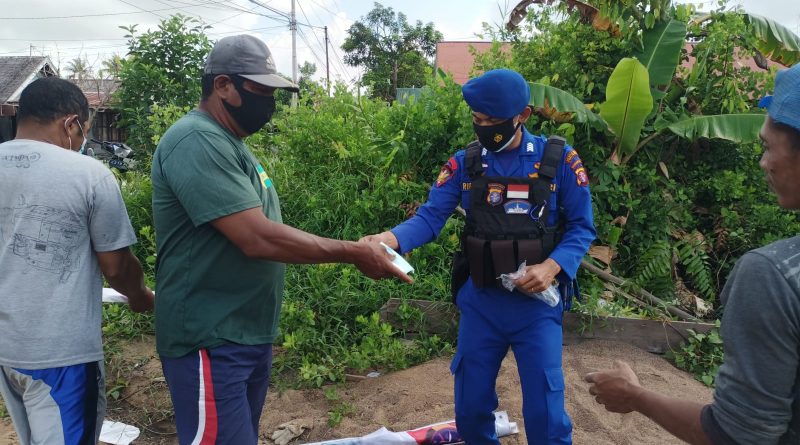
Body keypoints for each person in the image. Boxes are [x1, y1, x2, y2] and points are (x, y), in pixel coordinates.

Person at [150, 34, 412, 444]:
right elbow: (256, 237)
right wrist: (353, 253)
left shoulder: (232, 143)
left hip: (245, 335)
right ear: (223, 85)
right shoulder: (196, 139)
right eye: (261, 90)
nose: (269, 102)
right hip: (210, 337)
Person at [361, 68, 595, 444]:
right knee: (470, 408)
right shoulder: (466, 163)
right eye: (477, 119)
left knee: (546, 412)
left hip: (536, 307)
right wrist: (388, 239)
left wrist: (552, 267)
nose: (482, 128)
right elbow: (429, 218)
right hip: (482, 303)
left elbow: (582, 228)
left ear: (522, 115)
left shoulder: (558, 161)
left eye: (491, 121)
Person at [585, 63, 800, 445]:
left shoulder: (772, 275)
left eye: (768, 147)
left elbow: (734, 435)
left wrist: (634, 396)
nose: (763, 162)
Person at [0, 77, 154, 444]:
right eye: (84, 130)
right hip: (60, 353)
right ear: (71, 124)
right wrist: (140, 296)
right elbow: (116, 266)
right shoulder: (88, 175)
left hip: (7, 350)